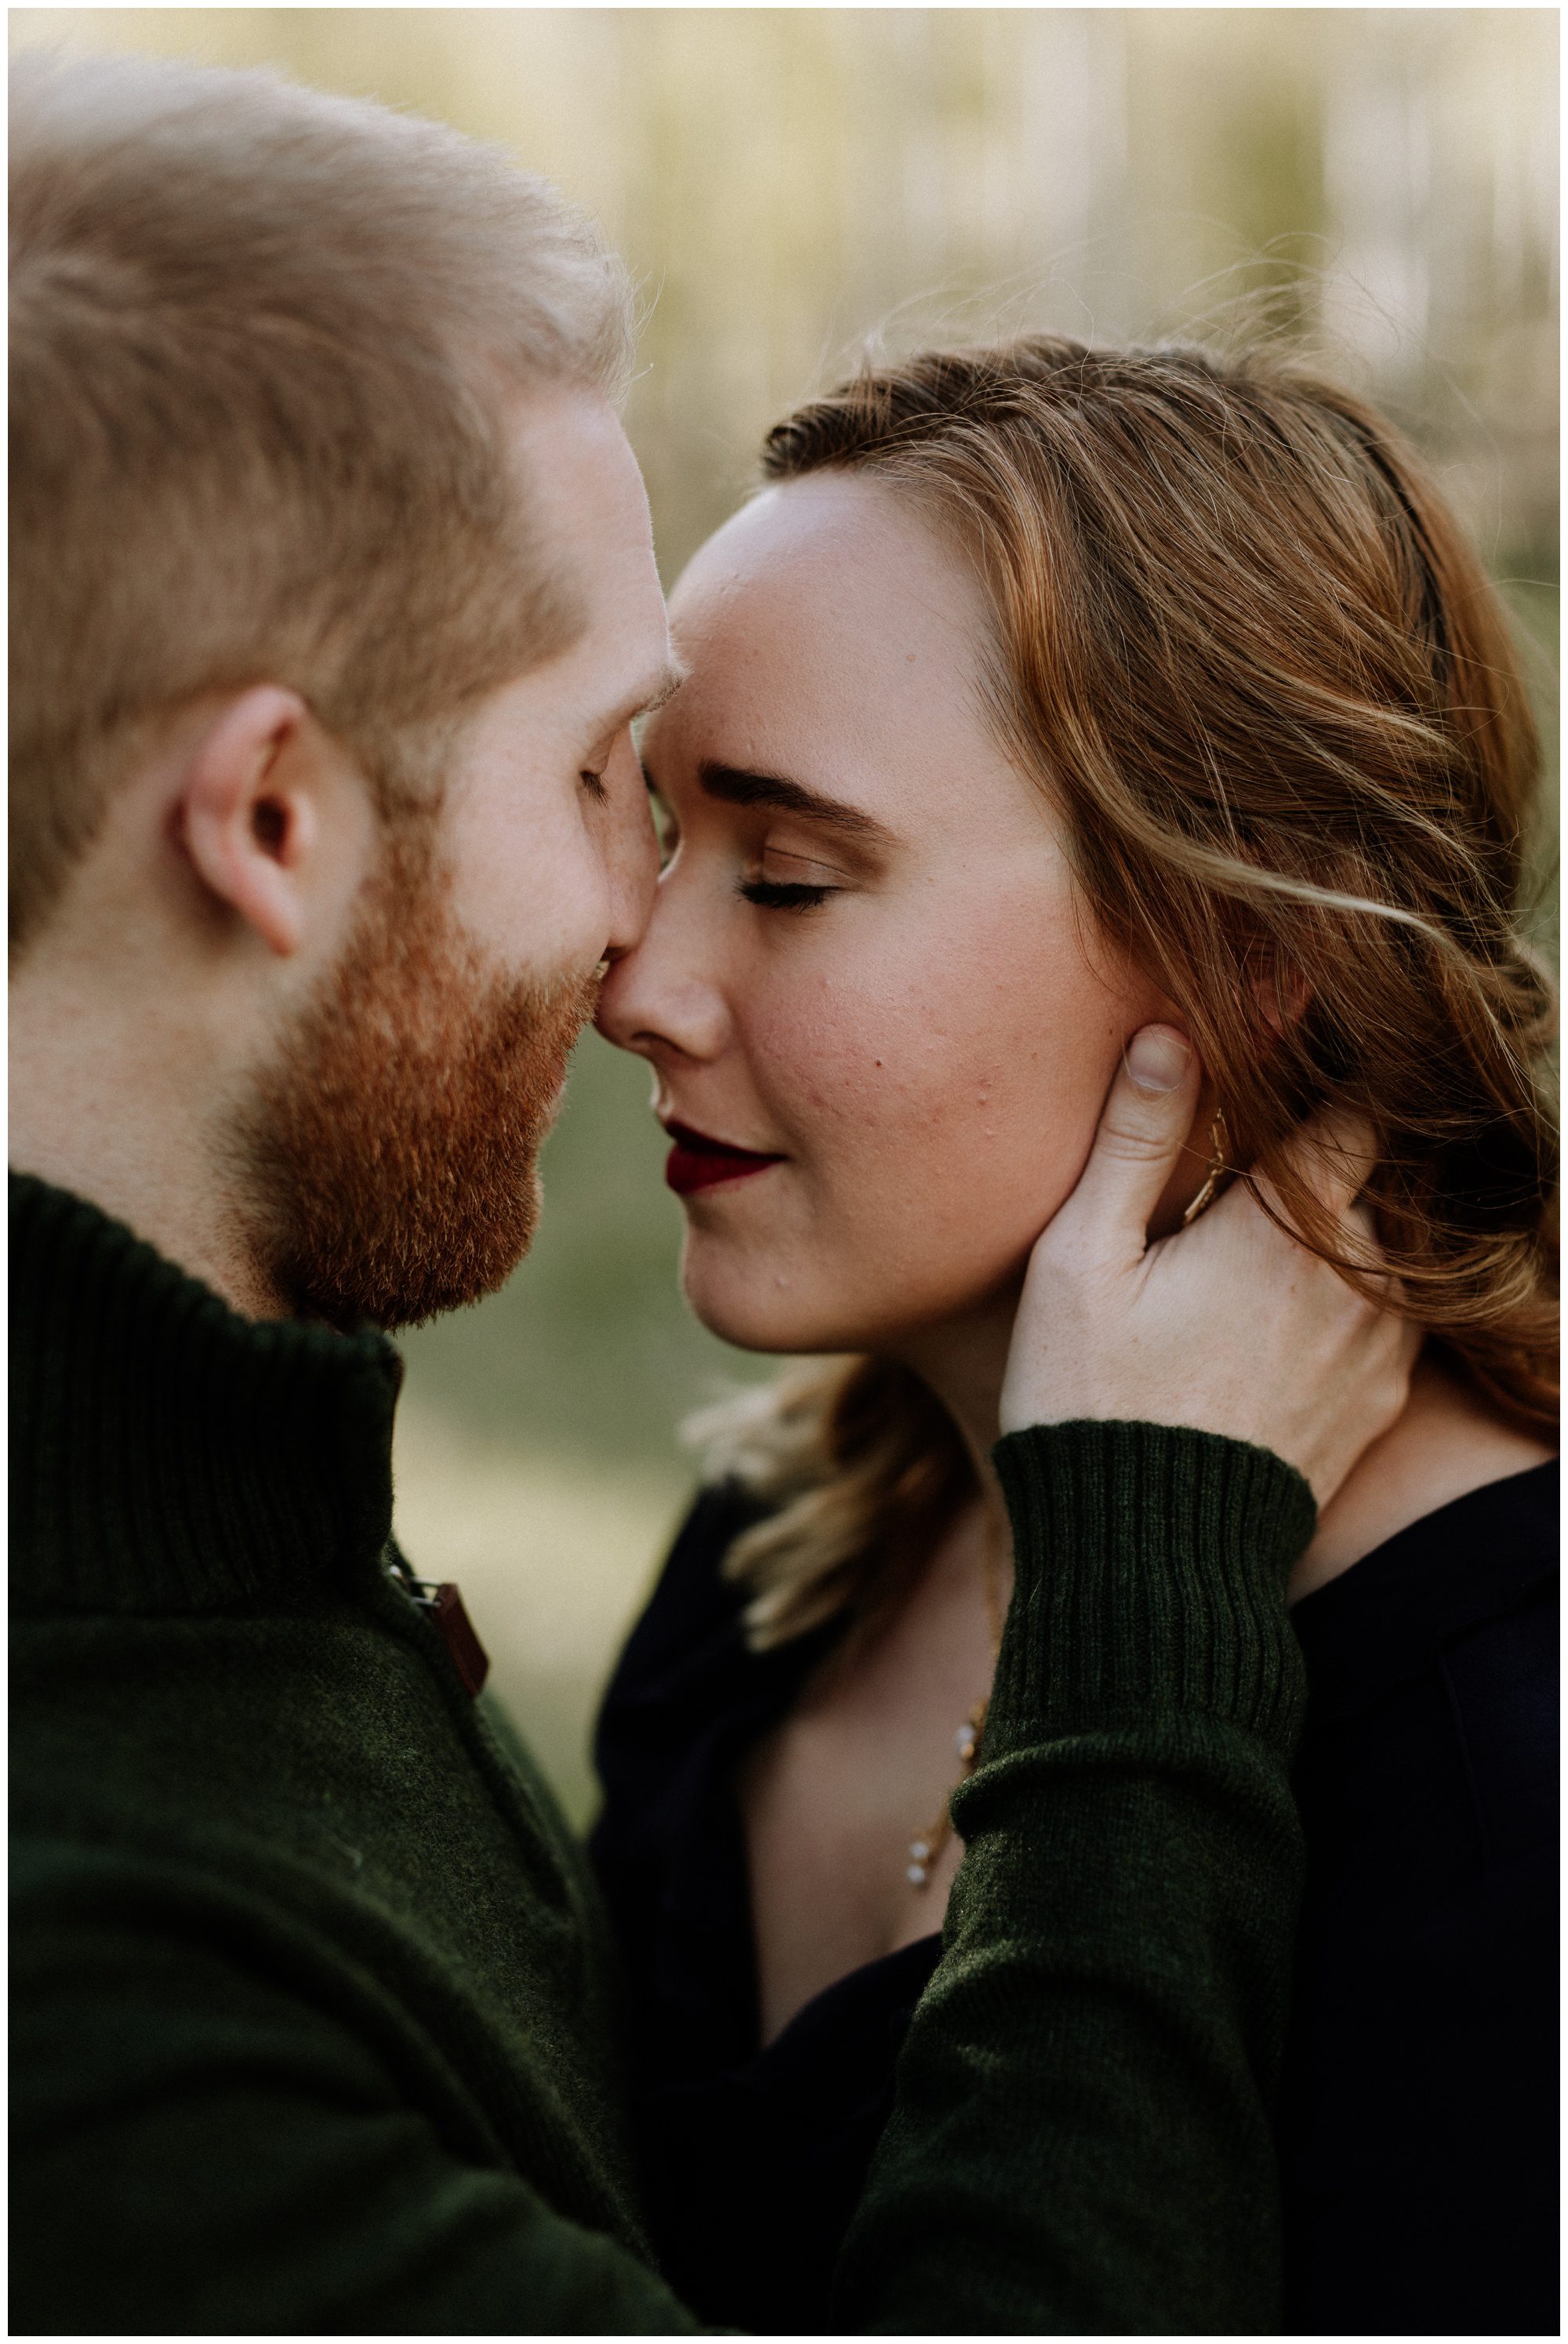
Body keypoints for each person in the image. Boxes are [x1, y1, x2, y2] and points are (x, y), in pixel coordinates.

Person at [10, 53, 1415, 2337]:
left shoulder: (244, 1546)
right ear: (272, 818)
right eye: (599, 778)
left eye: (780, 859)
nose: (632, 959)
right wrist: (1142, 1604)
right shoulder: (85, 1981)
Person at [591, 338, 1560, 2336]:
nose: (641, 980)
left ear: (1253, 953)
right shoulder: (780, 1556)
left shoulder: (1508, 1770)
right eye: (659, 834)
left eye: (785, 873)